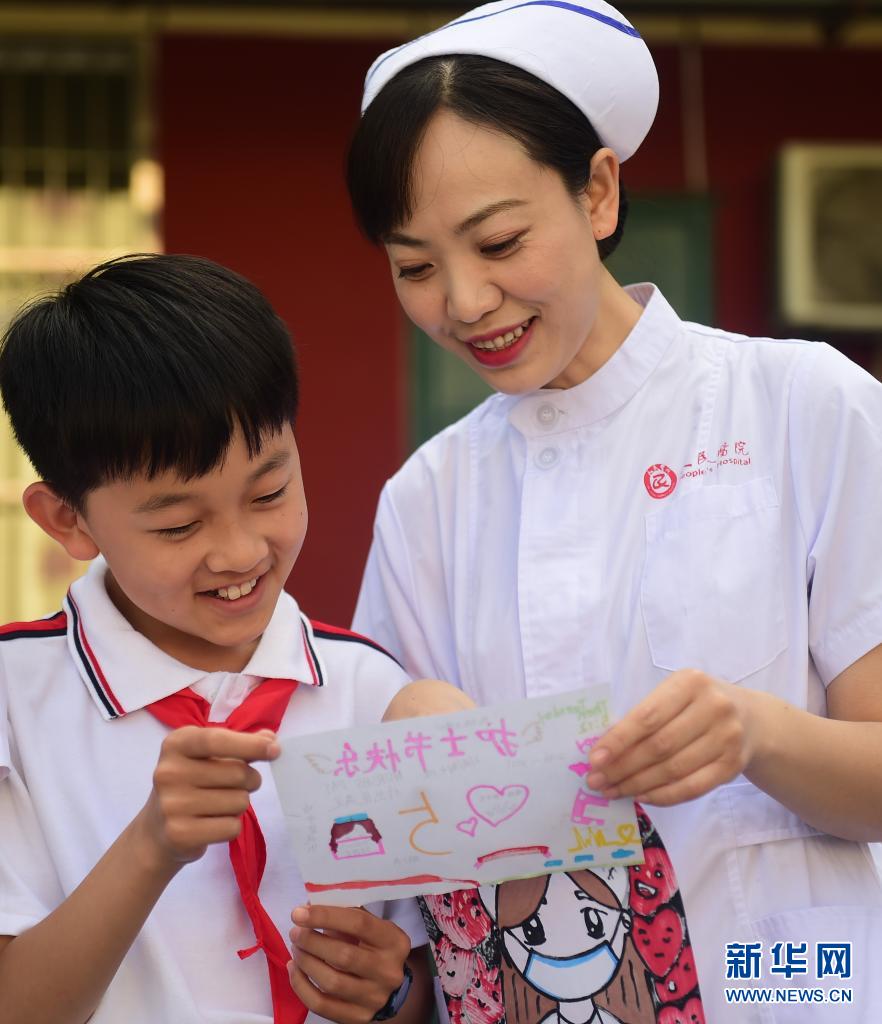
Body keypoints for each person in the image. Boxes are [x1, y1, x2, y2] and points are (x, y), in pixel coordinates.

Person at [347, 2, 882, 1021]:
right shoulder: (427, 501)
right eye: (414, 266)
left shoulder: (801, 406)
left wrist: (757, 733)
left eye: (499, 241)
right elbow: (411, 902)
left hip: (791, 994)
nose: (464, 301)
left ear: (597, 192)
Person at [0, 254, 433, 1024]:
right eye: (178, 525)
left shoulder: (370, 690)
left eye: (269, 492)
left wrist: (389, 993)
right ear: (67, 520)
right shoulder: (13, 698)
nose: (239, 552)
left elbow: (431, 981)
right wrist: (149, 847)